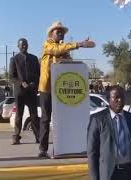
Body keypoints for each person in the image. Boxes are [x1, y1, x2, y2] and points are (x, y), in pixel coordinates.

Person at [37, 21, 95, 158]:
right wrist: (78, 44)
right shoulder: (47, 44)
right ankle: (42, 149)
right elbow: (56, 50)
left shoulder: (64, 49)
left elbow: (69, 64)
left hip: (60, 89)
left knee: (62, 118)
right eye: (58, 31)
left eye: (62, 32)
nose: (61, 34)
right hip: (47, 88)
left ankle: (64, 146)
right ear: (51, 33)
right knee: (45, 118)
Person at [87, 85, 131, 180]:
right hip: (109, 174)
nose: (120, 100)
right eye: (116, 97)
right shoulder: (97, 120)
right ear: (109, 99)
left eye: (122, 97)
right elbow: (92, 153)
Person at [9, 38, 40, 145]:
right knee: (19, 115)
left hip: (31, 91)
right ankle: (16, 137)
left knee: (34, 115)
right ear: (18, 46)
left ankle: (38, 136)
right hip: (20, 91)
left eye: (25, 44)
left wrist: (33, 84)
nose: (24, 46)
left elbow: (38, 75)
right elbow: (12, 77)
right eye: (22, 45)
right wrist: (21, 82)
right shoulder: (14, 59)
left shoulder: (34, 58)